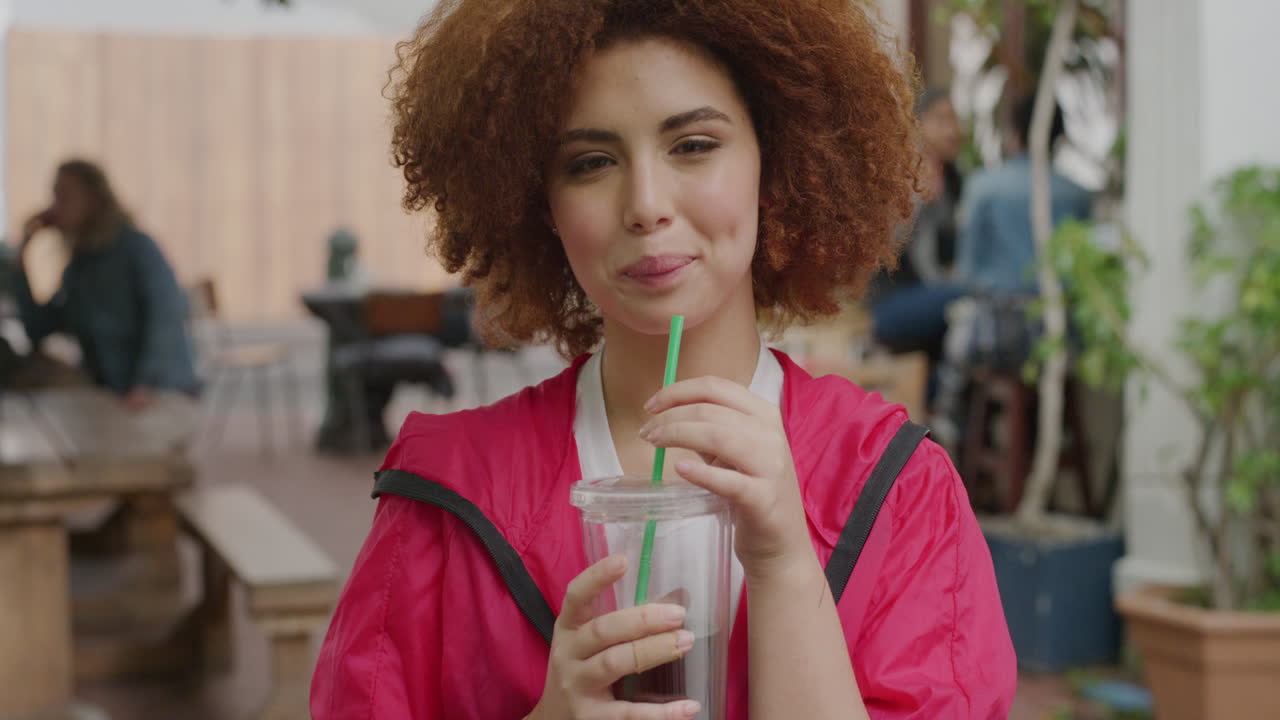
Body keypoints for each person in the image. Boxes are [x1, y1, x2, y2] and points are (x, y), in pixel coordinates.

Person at [311, 2, 1016, 719]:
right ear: (539, 205)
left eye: (694, 145)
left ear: (775, 162)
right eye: (591, 163)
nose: (646, 205)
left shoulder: (897, 487)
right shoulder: (446, 501)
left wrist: (784, 566)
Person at [929, 94, 1094, 451]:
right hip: (1060, 339)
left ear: (1014, 135)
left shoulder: (985, 187)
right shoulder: (1078, 195)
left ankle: (949, 423)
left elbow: (968, 274)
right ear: (1058, 138)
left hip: (998, 337)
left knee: (958, 332)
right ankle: (1044, 440)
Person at [13, 159, 200, 409]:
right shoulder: (79, 268)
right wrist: (23, 253)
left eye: (64, 196)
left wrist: (144, 383)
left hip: (159, 393)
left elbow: (166, 316)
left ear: (93, 198)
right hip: (109, 393)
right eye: (54, 197)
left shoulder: (136, 248)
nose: (54, 208)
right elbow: (38, 328)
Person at [870, 87, 967, 397]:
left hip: (934, 298)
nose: (953, 130)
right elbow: (884, 248)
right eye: (941, 120)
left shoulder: (956, 183)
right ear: (918, 125)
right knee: (969, 297)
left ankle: (939, 411)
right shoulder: (900, 177)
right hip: (892, 302)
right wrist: (918, 200)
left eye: (955, 120)